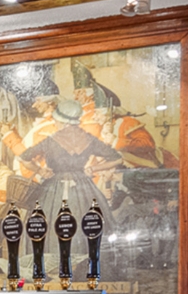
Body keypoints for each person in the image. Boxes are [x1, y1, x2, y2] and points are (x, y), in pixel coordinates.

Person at [19, 100, 123, 253]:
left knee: (50, 224)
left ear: (62, 121)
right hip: (83, 186)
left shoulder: (51, 140)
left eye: (56, 119)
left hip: (53, 186)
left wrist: (41, 171)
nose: (54, 122)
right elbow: (117, 159)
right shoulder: (89, 139)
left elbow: (23, 158)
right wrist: (94, 168)